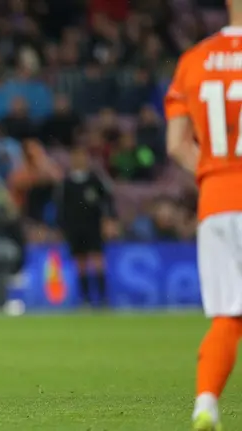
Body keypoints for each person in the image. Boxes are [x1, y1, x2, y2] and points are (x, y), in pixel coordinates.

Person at [164, 3, 242, 428]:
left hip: (217, 201)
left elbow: (177, 145)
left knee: (228, 314)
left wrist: (217, 175)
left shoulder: (194, 60)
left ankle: (206, 404)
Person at [54, 145, 115, 308]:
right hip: (75, 228)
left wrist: (108, 220)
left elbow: (107, 201)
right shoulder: (66, 183)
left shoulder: (94, 180)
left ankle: (102, 299)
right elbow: (61, 207)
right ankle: (85, 299)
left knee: (97, 260)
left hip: (93, 226)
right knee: (80, 263)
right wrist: (62, 228)